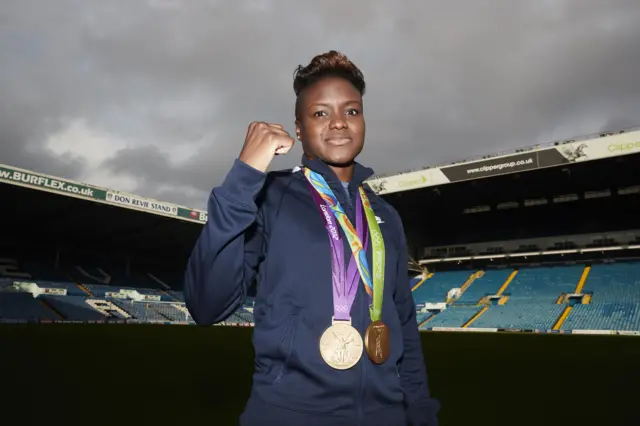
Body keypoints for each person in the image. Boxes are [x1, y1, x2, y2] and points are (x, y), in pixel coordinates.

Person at [184, 50, 440, 426]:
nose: (339, 123)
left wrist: (419, 413)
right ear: (299, 128)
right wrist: (243, 177)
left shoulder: (386, 216)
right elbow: (206, 305)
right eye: (321, 113)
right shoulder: (270, 197)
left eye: (351, 111)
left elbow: (403, 323)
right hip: (287, 414)